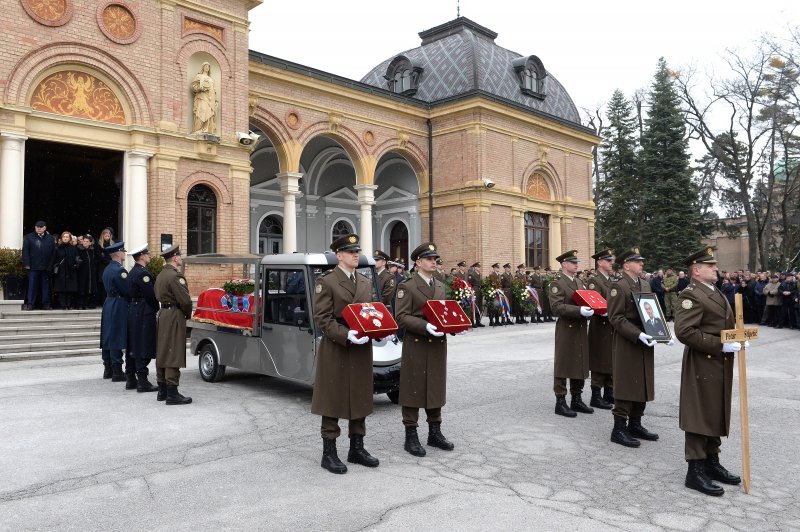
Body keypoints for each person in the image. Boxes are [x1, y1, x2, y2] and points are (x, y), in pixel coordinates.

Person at [311, 234, 383, 474]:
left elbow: (369, 311)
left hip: (361, 347)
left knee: (360, 395)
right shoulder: (327, 281)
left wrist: (378, 328)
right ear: (339, 255)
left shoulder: (364, 282)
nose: (356, 255)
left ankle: (357, 448)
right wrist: (345, 334)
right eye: (351, 251)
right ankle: (328, 452)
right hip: (337, 347)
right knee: (333, 397)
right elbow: (322, 318)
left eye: (357, 251)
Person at [674, 247, 742, 496]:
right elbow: (685, 332)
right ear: (696, 270)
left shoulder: (714, 291)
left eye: (715, 265)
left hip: (719, 363)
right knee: (699, 413)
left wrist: (736, 339)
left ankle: (712, 462)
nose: (716, 268)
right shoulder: (690, 295)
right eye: (710, 265)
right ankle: (695, 470)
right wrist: (720, 344)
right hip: (703, 363)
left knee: (714, 410)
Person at [395, 242, 456, 457]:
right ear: (418, 262)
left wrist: (454, 326)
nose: (434, 262)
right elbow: (401, 317)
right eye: (429, 259)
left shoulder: (439, 284)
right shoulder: (407, 286)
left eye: (435, 259)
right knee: (413, 387)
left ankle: (434, 431)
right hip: (418, 343)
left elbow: (444, 311)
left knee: (435, 385)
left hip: (438, 344)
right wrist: (425, 326)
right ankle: (411, 435)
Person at [607, 247, 669, 448]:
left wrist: (662, 333)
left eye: (642, 261)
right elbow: (615, 317)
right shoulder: (619, 286)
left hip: (646, 340)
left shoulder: (644, 283)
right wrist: (638, 334)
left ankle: (635, 423)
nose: (642, 263)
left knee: (642, 380)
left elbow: (651, 310)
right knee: (627, 381)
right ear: (626, 265)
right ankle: (618, 428)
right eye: (637, 261)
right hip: (628, 340)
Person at [549, 250, 593, 417]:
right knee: (563, 362)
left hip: (580, 327)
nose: (576, 265)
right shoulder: (557, 283)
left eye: (576, 262)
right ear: (564, 264)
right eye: (573, 262)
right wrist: (579, 310)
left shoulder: (579, 282)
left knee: (579, 360)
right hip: (566, 327)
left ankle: (577, 398)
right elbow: (557, 307)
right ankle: (560, 401)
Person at [155, 245, 193, 405]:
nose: (181, 258)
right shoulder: (175, 276)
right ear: (176, 258)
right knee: (173, 351)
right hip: (173, 315)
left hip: (163, 314)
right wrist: (188, 315)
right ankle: (172, 393)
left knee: (163, 350)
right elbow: (185, 301)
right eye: (180, 256)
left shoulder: (161, 275)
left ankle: (162, 389)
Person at [126, 244, 159, 393]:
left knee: (134, 343)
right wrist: (157, 308)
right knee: (142, 344)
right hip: (143, 310)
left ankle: (131, 379)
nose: (150, 256)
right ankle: (142, 381)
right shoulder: (142, 273)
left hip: (134, 309)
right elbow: (150, 295)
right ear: (141, 256)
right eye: (148, 254)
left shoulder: (132, 271)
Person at [586, 248, 615, 410]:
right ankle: (596, 395)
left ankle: (609, 392)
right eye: (608, 260)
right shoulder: (595, 281)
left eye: (611, 260)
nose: (611, 263)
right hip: (600, 325)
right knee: (599, 359)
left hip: (611, 325)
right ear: (600, 262)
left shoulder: (610, 280)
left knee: (610, 357)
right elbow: (594, 302)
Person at [100, 242, 130, 382]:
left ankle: (108, 369)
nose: (124, 253)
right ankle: (117, 370)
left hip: (109, 303)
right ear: (118, 253)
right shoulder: (120, 270)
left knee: (107, 336)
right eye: (122, 251)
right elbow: (127, 290)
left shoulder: (107, 269)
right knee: (117, 335)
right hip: (118, 303)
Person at [22, 220, 56, 310]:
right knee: (32, 286)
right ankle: (30, 304)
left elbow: (53, 253)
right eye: (37, 227)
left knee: (46, 286)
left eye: (41, 227)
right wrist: (26, 264)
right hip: (33, 266)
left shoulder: (50, 238)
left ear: (45, 228)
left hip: (46, 267)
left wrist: (50, 265)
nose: (39, 228)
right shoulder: (29, 237)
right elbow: (25, 251)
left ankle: (46, 304)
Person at [52, 231, 79, 310]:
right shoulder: (58, 248)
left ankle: (69, 304)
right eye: (64, 237)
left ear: (70, 238)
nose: (65, 238)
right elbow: (54, 259)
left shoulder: (73, 248)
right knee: (61, 289)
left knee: (70, 289)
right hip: (61, 271)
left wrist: (76, 264)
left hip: (71, 270)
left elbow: (77, 257)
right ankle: (63, 304)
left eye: (67, 237)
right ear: (61, 238)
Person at [191, 62, 218, 134]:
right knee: (202, 110)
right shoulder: (199, 76)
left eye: (208, 67)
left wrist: (215, 101)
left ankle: (206, 129)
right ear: (203, 67)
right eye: (206, 66)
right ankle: (198, 129)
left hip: (210, 99)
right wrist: (200, 88)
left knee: (209, 113)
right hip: (202, 97)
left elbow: (214, 91)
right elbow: (193, 86)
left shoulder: (211, 79)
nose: (207, 68)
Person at [75, 234, 98, 309]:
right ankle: (80, 304)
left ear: (90, 243)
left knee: (89, 288)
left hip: (90, 272)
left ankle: (86, 304)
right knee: (81, 288)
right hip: (81, 272)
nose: (85, 243)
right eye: (84, 241)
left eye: (87, 241)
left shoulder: (92, 250)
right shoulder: (78, 249)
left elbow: (96, 260)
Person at [96, 227, 115, 306]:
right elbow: (99, 256)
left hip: (111, 265)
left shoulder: (113, 244)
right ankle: (102, 300)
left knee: (110, 283)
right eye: (105, 235)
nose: (107, 237)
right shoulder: (99, 245)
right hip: (102, 266)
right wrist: (106, 260)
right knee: (102, 284)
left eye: (108, 235)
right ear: (102, 236)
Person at [466, 262, 484, 327]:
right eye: (478, 267)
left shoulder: (480, 274)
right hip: (474, 291)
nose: (479, 268)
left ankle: (478, 321)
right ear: (475, 267)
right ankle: (472, 321)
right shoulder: (471, 274)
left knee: (479, 306)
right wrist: (471, 292)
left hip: (479, 291)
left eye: (479, 267)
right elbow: (469, 284)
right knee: (474, 306)